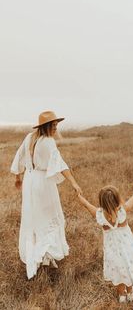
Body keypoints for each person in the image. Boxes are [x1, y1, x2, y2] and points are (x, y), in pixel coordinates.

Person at [11, 110, 82, 279]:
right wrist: (74, 182)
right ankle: (43, 255)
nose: (56, 128)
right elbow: (60, 165)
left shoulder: (30, 137)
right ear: (46, 126)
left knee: (33, 217)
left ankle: (39, 256)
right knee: (49, 216)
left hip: (30, 180)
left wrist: (18, 177)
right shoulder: (49, 142)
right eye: (54, 125)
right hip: (42, 183)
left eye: (57, 125)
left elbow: (18, 156)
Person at [77, 185, 133, 303]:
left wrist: (79, 195)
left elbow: (86, 204)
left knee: (118, 269)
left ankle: (121, 295)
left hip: (112, 250)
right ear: (117, 199)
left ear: (101, 202)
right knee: (127, 267)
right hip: (127, 247)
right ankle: (129, 292)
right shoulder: (123, 209)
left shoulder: (98, 214)